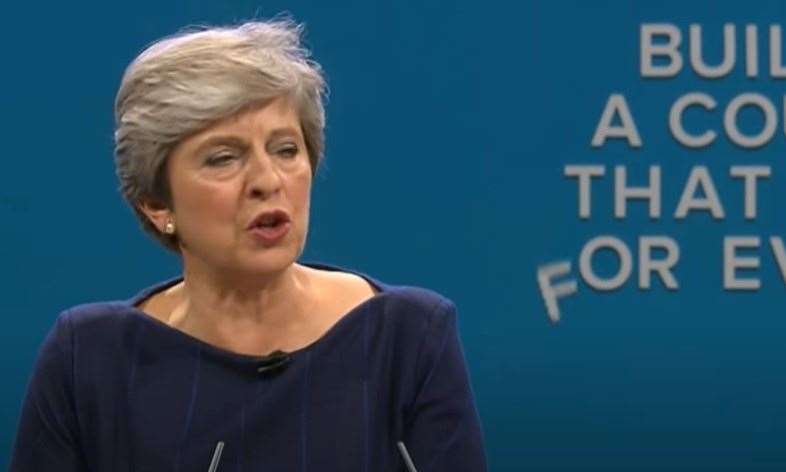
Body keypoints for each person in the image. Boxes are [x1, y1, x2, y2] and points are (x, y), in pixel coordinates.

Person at [9, 19, 487, 471]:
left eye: (285, 150)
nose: (267, 180)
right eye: (223, 158)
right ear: (157, 203)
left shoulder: (407, 340)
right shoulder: (91, 362)